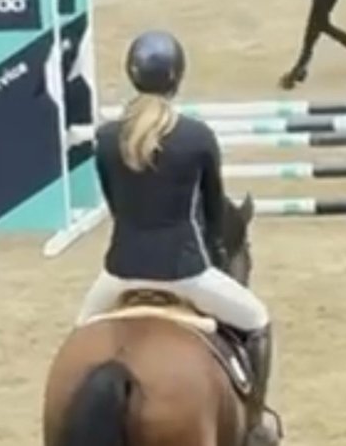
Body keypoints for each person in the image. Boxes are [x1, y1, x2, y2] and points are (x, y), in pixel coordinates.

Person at [76, 30, 277, 445]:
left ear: (131, 74)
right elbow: (213, 216)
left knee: (80, 338)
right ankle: (255, 425)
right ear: (177, 77)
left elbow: (116, 207)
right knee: (258, 320)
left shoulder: (107, 138)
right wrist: (217, 255)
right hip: (184, 272)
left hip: (119, 274)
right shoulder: (196, 137)